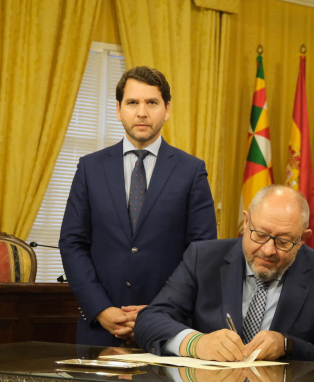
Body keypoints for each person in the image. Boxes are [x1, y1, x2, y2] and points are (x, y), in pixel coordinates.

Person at [60, 66, 217, 347]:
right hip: (99, 330)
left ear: (167, 109)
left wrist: (156, 314)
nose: (142, 112)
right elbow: (72, 243)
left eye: (152, 103)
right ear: (119, 109)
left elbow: (201, 254)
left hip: (167, 330)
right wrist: (101, 309)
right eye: (133, 103)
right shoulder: (90, 168)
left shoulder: (192, 171)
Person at [134, 185, 314, 363]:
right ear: (246, 222)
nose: (268, 250)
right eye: (260, 235)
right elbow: (150, 319)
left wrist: (287, 345)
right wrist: (196, 343)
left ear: (303, 238)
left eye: (284, 241)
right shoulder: (203, 258)